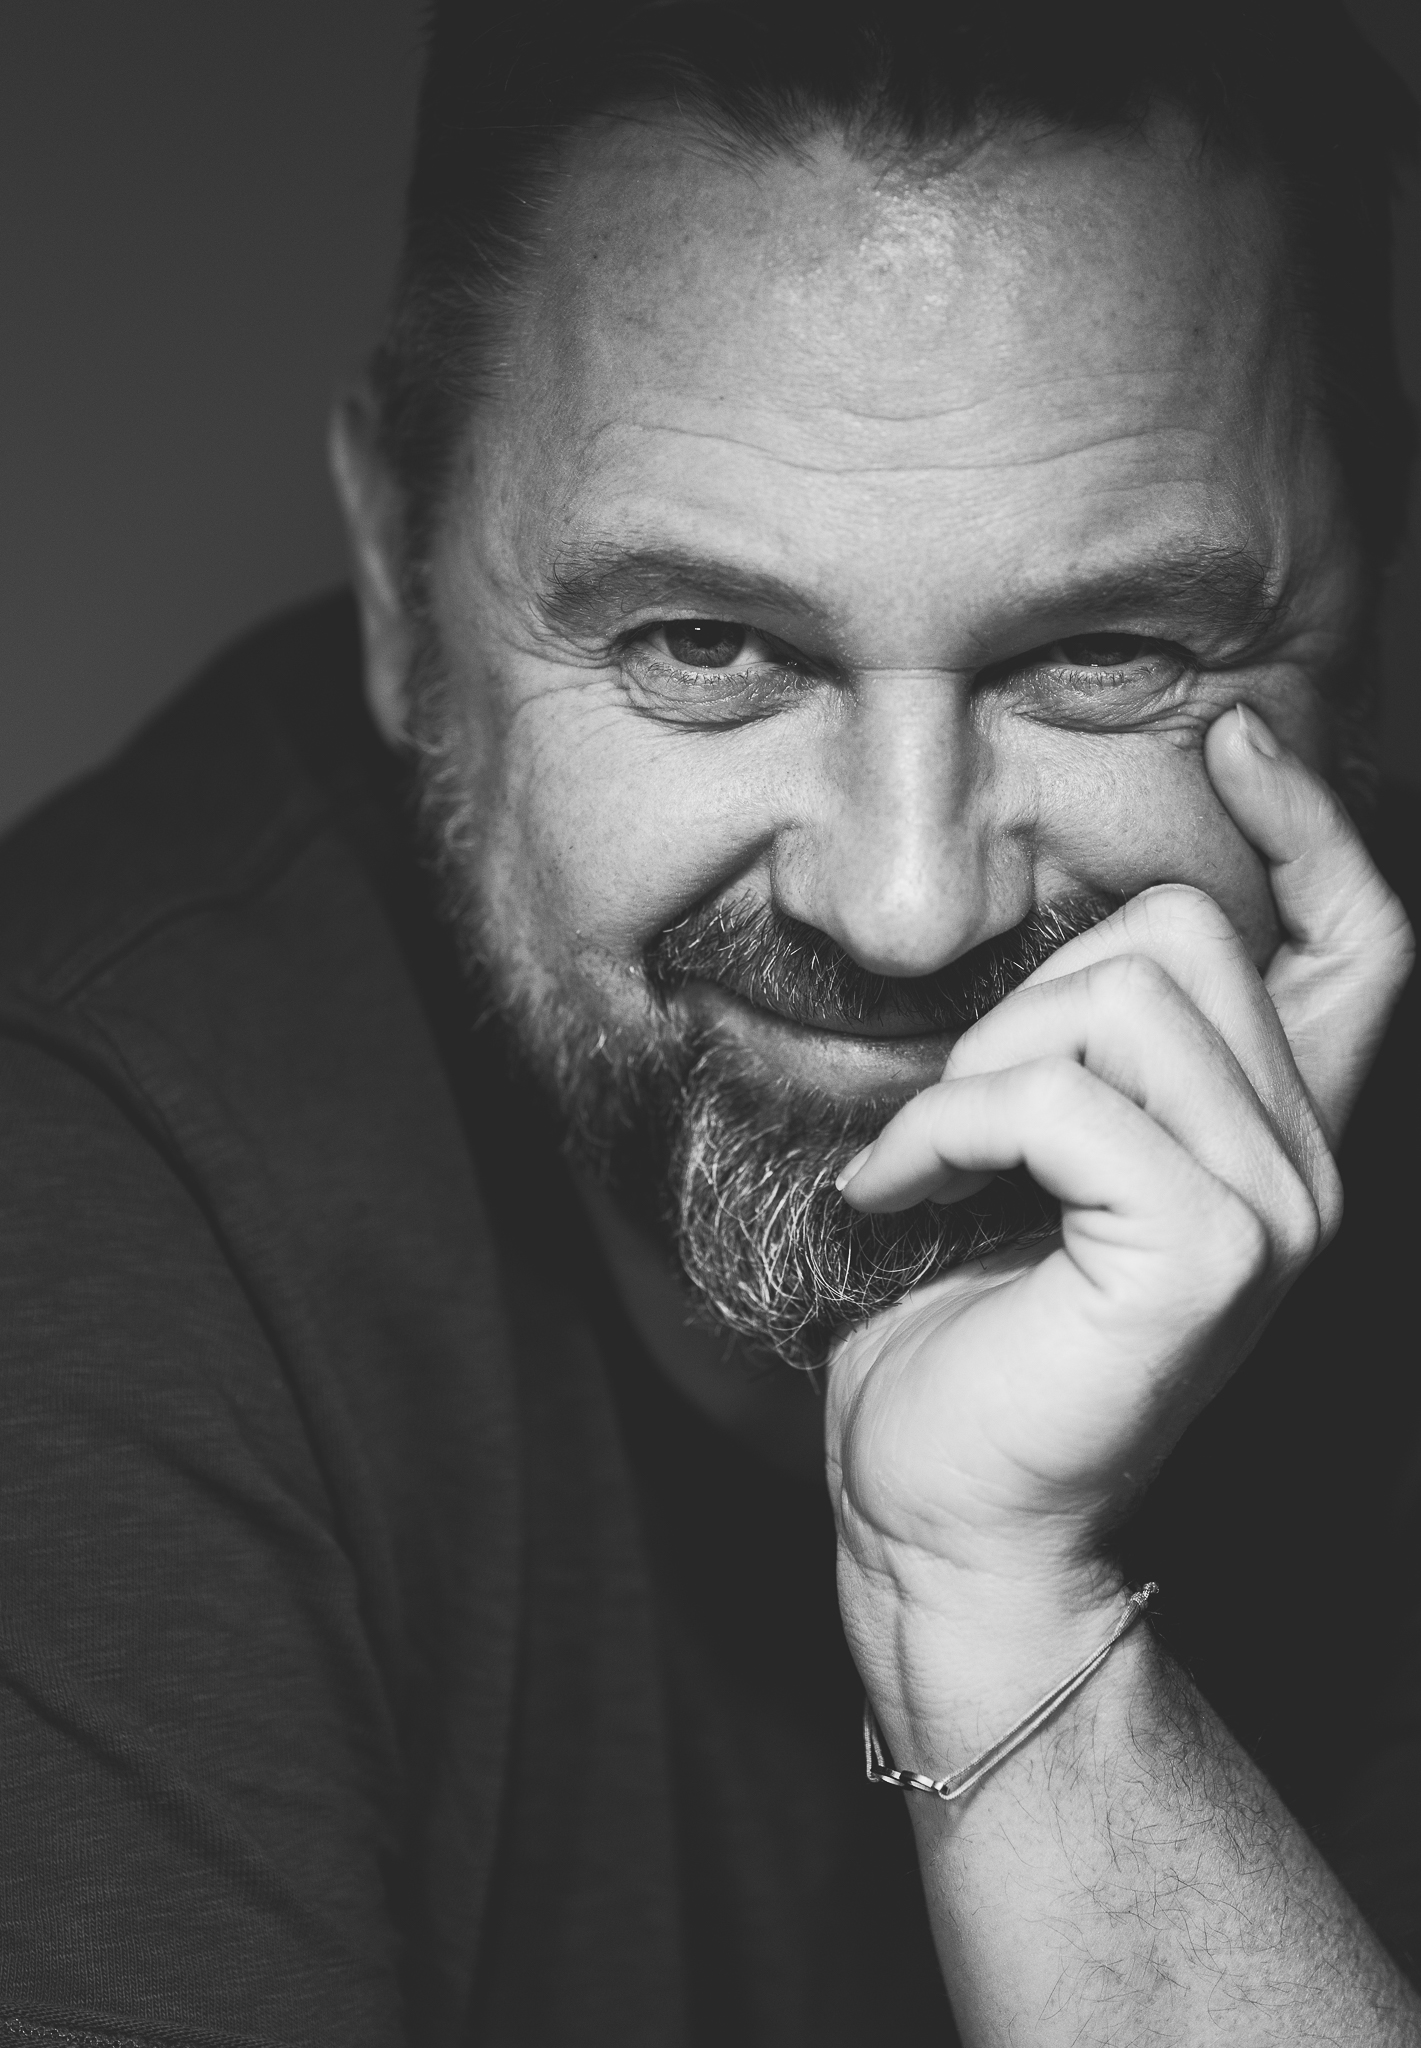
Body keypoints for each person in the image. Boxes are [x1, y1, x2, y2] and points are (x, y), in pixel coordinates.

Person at [1, 0, 1418, 2041]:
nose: (906, 902)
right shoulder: (80, 1202)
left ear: (1378, 600)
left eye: (1107, 650)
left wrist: (996, 1608)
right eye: (704, 642)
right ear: (400, 584)